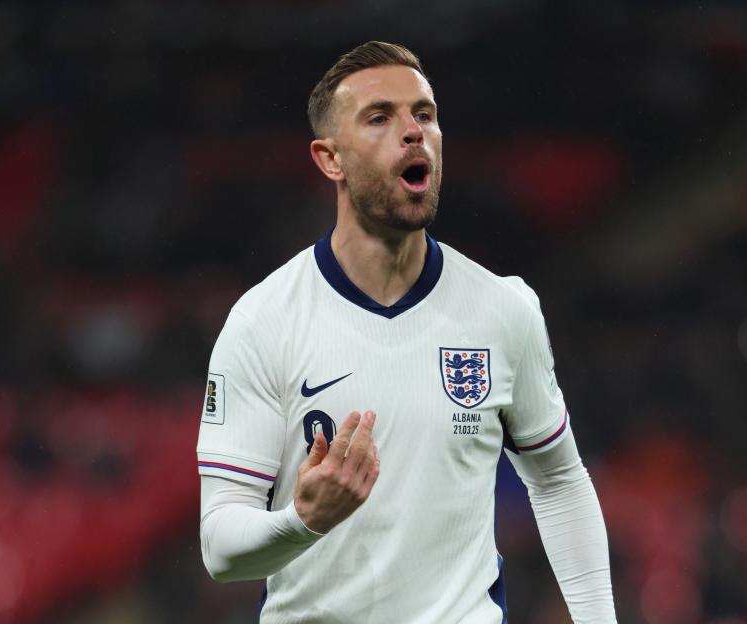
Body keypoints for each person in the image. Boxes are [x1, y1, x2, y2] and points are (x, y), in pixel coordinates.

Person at [197, 41, 616, 623]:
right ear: (330, 159)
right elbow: (220, 549)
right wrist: (303, 520)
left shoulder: (503, 308)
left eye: (424, 113)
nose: (414, 131)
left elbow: (560, 482)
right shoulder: (264, 321)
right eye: (379, 117)